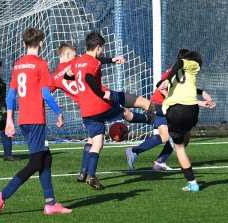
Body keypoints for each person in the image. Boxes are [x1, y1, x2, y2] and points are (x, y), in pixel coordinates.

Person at [0, 28, 72, 215]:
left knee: (46, 159)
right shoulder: (41, 64)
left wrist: (9, 120)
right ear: (41, 43)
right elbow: (46, 94)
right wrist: (59, 112)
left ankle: (50, 204)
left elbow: (11, 95)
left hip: (23, 120)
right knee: (35, 162)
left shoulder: (17, 65)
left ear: (24, 44)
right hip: (36, 119)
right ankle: (2, 195)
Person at [51, 43, 155, 184]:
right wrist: (112, 60)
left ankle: (84, 171)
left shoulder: (55, 77)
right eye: (74, 55)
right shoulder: (77, 62)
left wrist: (57, 111)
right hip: (101, 99)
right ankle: (150, 117)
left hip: (87, 109)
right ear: (68, 55)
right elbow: (94, 61)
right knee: (125, 109)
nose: (76, 57)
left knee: (93, 140)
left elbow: (45, 93)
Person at [125, 49, 216, 171]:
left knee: (182, 137)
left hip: (171, 107)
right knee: (165, 136)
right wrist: (175, 99)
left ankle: (160, 161)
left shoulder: (184, 72)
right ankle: (134, 151)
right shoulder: (172, 71)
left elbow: (184, 88)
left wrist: (201, 92)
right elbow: (160, 86)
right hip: (160, 105)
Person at [157, 51, 212, 192]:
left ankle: (192, 183)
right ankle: (192, 183)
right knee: (181, 144)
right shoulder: (191, 65)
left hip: (175, 112)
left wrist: (168, 81)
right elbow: (182, 63)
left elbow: (159, 84)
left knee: (180, 148)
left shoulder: (173, 71)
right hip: (190, 112)